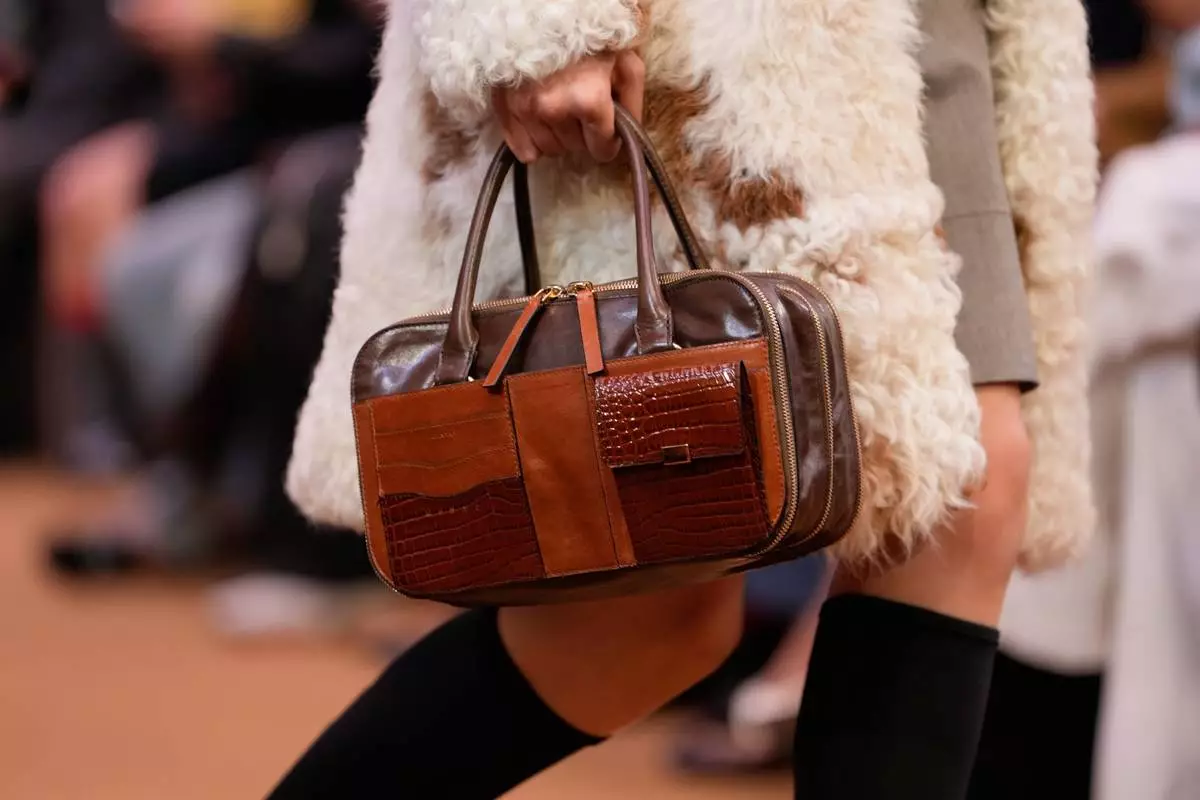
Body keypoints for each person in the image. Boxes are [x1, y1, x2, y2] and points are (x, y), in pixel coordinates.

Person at [276, 0, 1098, 797]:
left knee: (963, 498)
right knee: (647, 617)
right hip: (718, 61)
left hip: (945, 34)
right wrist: (531, 22)